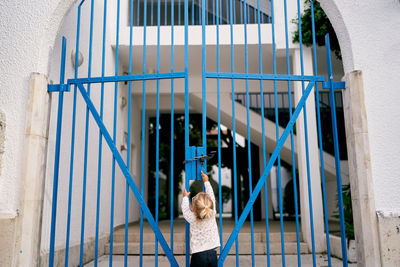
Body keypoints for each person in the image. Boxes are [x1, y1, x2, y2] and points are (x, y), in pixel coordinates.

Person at [181, 171, 220, 267]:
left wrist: (185, 198)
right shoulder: (212, 212)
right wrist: (206, 181)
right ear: (210, 205)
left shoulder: (192, 218)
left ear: (193, 208)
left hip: (198, 255)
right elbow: (211, 196)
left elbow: (185, 210)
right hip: (212, 254)